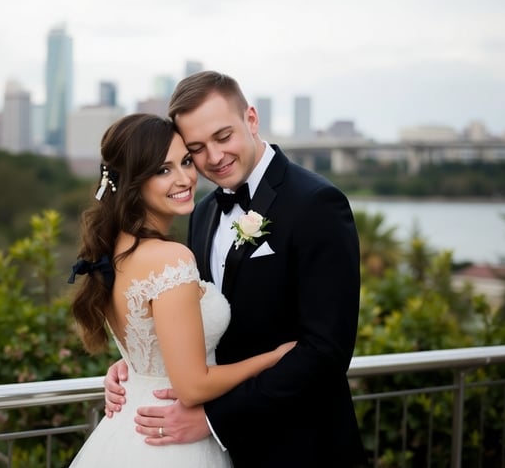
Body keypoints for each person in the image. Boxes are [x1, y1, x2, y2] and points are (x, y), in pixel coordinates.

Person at [104, 72, 366, 467]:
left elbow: (326, 352)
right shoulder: (203, 211)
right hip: (222, 451)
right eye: (196, 149)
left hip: (302, 445)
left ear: (252, 119)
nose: (213, 158)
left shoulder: (317, 204)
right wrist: (142, 363)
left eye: (223, 137)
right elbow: (191, 316)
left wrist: (213, 419)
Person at [66, 113, 295, 468]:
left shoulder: (114, 250)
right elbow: (192, 387)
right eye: (163, 170)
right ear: (131, 182)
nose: (185, 178)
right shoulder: (170, 258)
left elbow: (150, 333)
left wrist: (133, 366)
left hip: (131, 423)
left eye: (186, 162)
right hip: (172, 437)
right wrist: (273, 358)